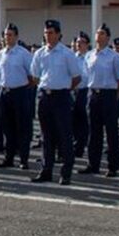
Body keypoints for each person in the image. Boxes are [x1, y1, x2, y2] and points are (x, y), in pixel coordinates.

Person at [29, 19, 82, 184]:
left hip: (61, 97)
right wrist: (47, 88)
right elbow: (35, 76)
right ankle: (46, 170)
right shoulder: (39, 53)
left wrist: (63, 88)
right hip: (45, 97)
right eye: (46, 33)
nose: (48, 36)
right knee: (46, 136)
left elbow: (76, 77)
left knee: (64, 136)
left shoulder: (67, 53)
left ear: (58, 34)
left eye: (51, 32)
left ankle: (66, 173)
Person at [83, 24, 119, 176]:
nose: (99, 36)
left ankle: (113, 166)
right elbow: (87, 75)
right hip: (93, 94)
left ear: (108, 37)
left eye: (102, 34)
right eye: (97, 33)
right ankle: (93, 164)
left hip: (109, 95)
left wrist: (115, 98)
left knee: (111, 132)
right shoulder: (89, 55)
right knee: (94, 132)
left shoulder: (114, 56)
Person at [0, 24, 34, 169]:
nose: (7, 37)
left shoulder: (23, 54)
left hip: (20, 92)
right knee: (7, 127)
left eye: (10, 35)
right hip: (5, 92)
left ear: (16, 36)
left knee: (22, 127)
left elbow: (31, 76)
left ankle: (24, 159)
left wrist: (23, 89)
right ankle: (9, 158)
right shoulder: (1, 54)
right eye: (5, 35)